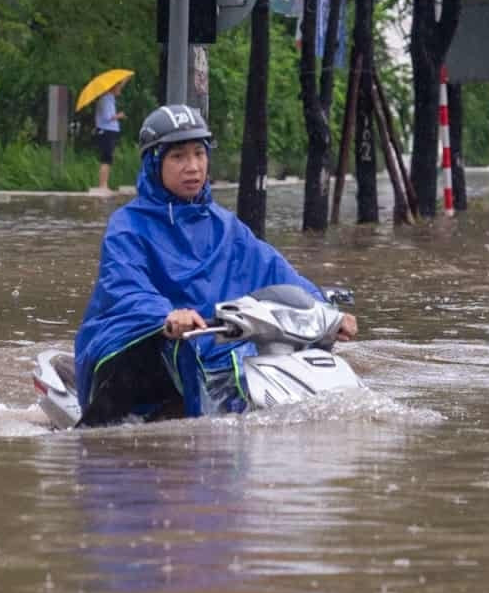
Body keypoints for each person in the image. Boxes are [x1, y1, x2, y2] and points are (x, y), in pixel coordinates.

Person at [70, 105, 357, 426]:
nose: (192, 166)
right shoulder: (127, 226)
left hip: (217, 339)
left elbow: (274, 269)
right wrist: (165, 316)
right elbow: (125, 286)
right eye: (178, 157)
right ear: (154, 163)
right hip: (148, 341)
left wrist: (325, 312)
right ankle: (95, 438)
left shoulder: (225, 225)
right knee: (149, 361)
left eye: (199, 154)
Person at [91, 78, 127, 195]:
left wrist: (125, 79)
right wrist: (119, 115)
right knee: (106, 158)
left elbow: (120, 88)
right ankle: (103, 185)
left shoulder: (110, 98)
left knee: (108, 158)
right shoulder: (105, 99)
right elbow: (107, 117)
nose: (119, 90)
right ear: (112, 88)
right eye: (117, 87)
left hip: (110, 131)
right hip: (106, 131)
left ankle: (104, 184)